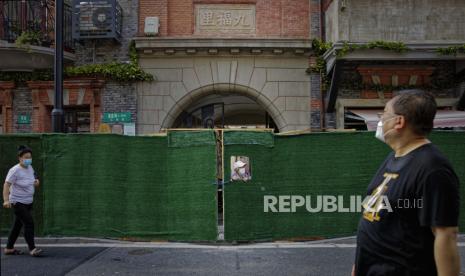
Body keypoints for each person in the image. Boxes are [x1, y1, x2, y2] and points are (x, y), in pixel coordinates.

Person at [353, 90, 460, 276]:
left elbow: (445, 234)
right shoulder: (393, 157)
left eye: (384, 114)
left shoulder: (433, 169)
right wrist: (359, 265)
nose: (380, 120)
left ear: (399, 122)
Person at [3, 145, 42, 257]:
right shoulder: (14, 170)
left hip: (28, 202)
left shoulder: (30, 167)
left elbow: (35, 177)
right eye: (26, 157)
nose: (28, 159)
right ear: (20, 158)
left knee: (17, 226)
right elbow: (6, 185)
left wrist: (37, 181)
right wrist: (6, 200)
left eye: (30, 157)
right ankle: (32, 249)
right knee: (29, 223)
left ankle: (9, 248)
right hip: (17, 202)